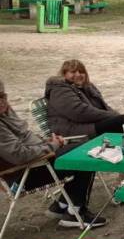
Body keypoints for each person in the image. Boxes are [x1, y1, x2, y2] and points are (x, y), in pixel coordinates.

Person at [0, 79, 107, 228]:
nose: (2, 101)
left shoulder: (5, 115)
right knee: (84, 154)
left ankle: (62, 204)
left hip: (34, 165)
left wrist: (47, 142)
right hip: (23, 177)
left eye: (3, 95)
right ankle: (75, 212)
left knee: (80, 148)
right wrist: (52, 146)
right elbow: (20, 154)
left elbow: (25, 138)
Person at [45, 59, 124, 139]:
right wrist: (112, 116)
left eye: (81, 71)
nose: (78, 74)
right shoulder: (59, 89)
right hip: (71, 129)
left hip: (87, 123)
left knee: (122, 120)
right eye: (73, 72)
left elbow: (103, 106)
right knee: (122, 121)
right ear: (64, 74)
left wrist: (115, 115)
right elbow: (79, 112)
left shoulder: (86, 86)